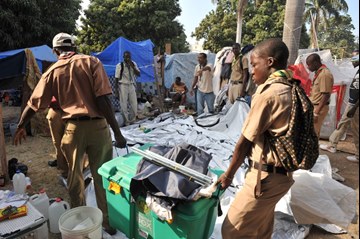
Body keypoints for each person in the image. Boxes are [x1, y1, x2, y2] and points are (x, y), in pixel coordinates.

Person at [13, 32, 126, 235]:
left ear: (56, 51)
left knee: (75, 177)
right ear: (74, 47)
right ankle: (107, 222)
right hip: (99, 128)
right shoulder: (91, 62)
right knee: (101, 175)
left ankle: (80, 221)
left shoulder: (52, 71)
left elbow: (33, 103)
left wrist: (21, 124)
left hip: (72, 129)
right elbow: (103, 100)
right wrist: (117, 133)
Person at [217, 38, 294, 238]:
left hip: (265, 178)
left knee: (232, 230)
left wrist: (228, 175)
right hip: (283, 175)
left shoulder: (268, 93)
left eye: (254, 64)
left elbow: (244, 142)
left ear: (269, 62)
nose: (251, 71)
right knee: (260, 228)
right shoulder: (292, 86)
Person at [320, 50, 359, 155]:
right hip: (353, 104)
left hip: (354, 105)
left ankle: (332, 145)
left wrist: (353, 107)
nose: (352, 60)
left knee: (344, 124)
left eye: (355, 58)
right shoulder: (358, 71)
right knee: (353, 127)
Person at [306, 53, 334, 137]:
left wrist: (316, 113)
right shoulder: (319, 73)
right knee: (311, 132)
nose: (308, 67)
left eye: (309, 65)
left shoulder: (324, 74)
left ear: (315, 63)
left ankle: (313, 150)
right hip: (315, 106)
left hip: (319, 108)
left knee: (313, 133)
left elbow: (326, 95)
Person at [115, 51, 140, 125]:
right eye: (126, 57)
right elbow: (116, 78)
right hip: (123, 85)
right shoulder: (120, 65)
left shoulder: (133, 64)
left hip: (131, 85)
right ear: (123, 57)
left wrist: (132, 67)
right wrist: (116, 90)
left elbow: (138, 74)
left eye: (129, 57)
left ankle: (132, 120)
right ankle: (126, 122)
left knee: (134, 104)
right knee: (124, 104)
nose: (127, 58)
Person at [46, 98, 68, 178]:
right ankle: (64, 169)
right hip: (56, 110)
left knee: (72, 144)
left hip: (72, 111)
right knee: (58, 143)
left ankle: (74, 170)